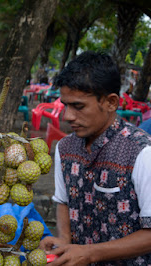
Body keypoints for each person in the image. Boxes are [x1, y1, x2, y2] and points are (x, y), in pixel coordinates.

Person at [40, 51, 151, 265]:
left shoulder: (141, 153)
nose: (68, 116)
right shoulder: (65, 148)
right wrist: (64, 239)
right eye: (65, 105)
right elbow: (63, 202)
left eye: (78, 106)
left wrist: (91, 253)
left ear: (110, 102)